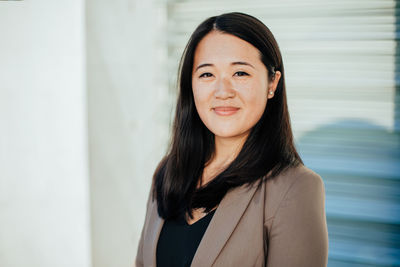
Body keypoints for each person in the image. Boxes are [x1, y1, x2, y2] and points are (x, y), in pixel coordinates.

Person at [135, 12, 328, 267]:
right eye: (207, 75)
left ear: (272, 83)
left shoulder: (295, 188)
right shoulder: (169, 171)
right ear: (190, 86)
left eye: (240, 73)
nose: (223, 91)